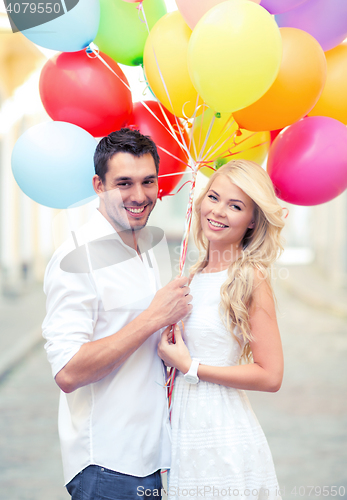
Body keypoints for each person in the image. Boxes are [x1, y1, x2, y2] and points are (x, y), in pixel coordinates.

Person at [42, 128, 192, 500]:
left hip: (149, 459)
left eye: (148, 182)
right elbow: (68, 371)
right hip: (108, 466)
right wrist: (152, 318)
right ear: (99, 184)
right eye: (123, 183)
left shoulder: (144, 246)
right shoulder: (75, 259)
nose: (139, 196)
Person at [157, 160, 285, 500]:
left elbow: (271, 375)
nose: (218, 211)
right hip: (185, 429)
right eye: (214, 197)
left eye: (236, 205)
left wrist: (191, 367)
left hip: (222, 431)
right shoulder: (193, 275)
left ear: (253, 219)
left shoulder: (249, 278)